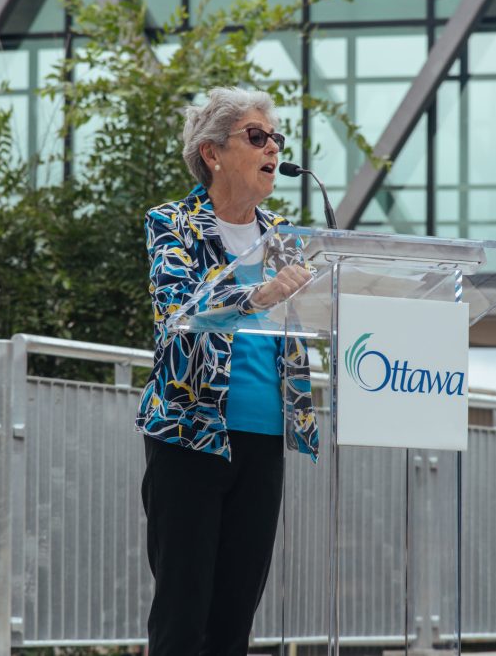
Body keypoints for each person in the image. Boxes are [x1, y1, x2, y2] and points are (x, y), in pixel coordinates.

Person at [135, 86, 319, 655]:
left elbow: (308, 317)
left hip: (265, 437)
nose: (272, 148)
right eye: (256, 136)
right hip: (192, 435)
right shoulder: (172, 223)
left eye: (275, 139)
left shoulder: (286, 235)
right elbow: (177, 312)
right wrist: (256, 295)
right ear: (213, 153)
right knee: (183, 615)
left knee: (234, 620)